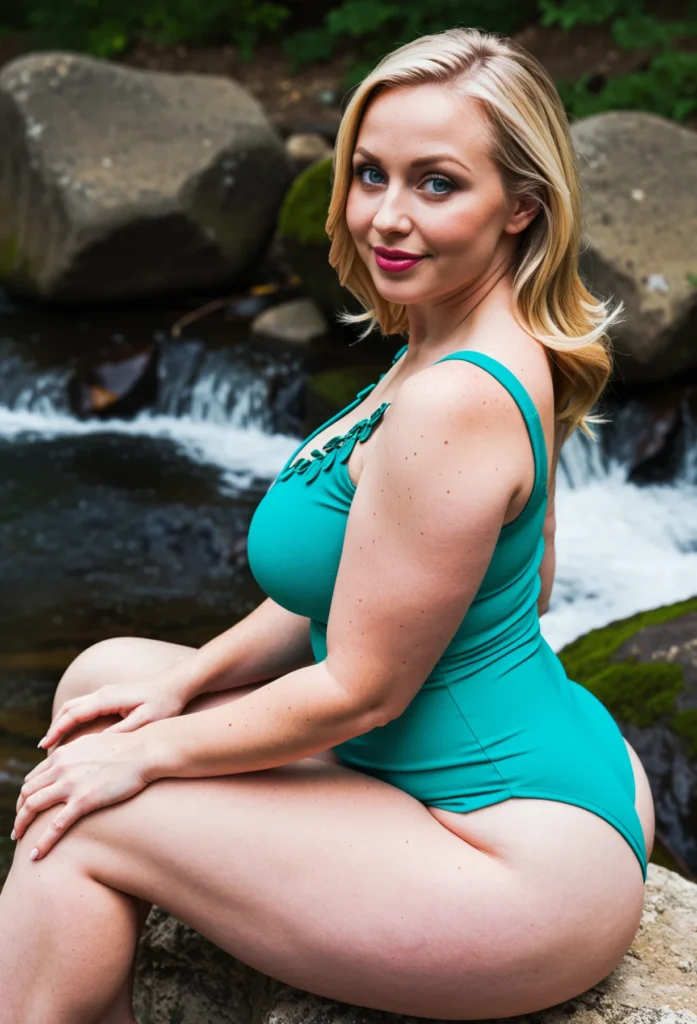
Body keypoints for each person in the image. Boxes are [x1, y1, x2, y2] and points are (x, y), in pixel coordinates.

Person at [0, 25, 655, 1024]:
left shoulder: (454, 400)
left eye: (436, 183)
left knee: (80, 816)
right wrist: (184, 681)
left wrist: (147, 757)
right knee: (103, 687)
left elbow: (360, 687)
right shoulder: (467, 338)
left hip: (512, 859)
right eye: (368, 174)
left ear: (521, 206)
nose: (387, 217)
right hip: (537, 760)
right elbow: (409, 584)